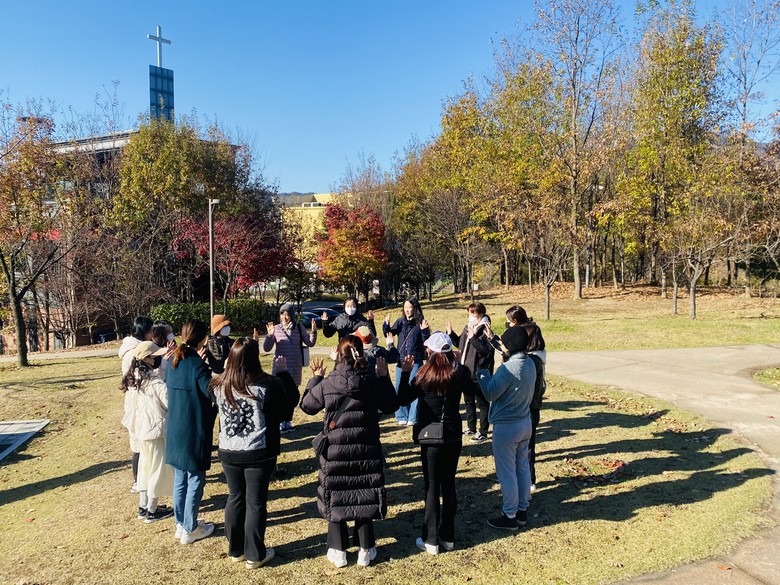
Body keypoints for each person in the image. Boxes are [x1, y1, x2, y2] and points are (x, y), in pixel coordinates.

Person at [300, 336, 398, 568]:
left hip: (336, 450)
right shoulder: (371, 381)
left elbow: (307, 406)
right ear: (361, 353)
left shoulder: (329, 383)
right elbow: (391, 405)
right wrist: (384, 377)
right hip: (366, 447)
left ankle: (338, 550)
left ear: (338, 355)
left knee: (336, 493)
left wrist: (316, 378)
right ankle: (365, 549)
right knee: (364, 493)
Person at [212, 339, 299, 570]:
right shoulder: (267, 384)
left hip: (229, 450)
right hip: (258, 451)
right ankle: (254, 554)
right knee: (255, 502)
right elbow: (288, 407)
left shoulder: (219, 384)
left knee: (235, 497)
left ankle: (236, 549)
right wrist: (283, 374)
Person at [397, 331, 470, 555]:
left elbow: (402, 398)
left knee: (431, 486)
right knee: (449, 484)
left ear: (432, 352)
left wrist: (405, 373)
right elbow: (472, 391)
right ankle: (448, 536)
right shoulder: (460, 373)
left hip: (430, 436)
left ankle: (431, 539)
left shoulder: (424, 374)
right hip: (452, 434)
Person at [476, 326, 536, 531]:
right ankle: (522, 510)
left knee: (507, 472)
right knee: (522, 467)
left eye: (502, 342)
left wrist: (483, 374)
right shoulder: (530, 363)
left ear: (509, 346)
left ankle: (509, 515)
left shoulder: (508, 369)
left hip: (507, 427)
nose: (501, 344)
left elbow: (491, 393)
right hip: (525, 422)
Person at [165, 318, 218, 544]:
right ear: (203, 339)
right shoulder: (197, 365)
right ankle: (190, 527)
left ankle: (181, 523)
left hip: (175, 429)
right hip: (193, 429)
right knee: (195, 478)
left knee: (180, 478)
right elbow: (212, 393)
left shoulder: (173, 360)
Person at [120, 341, 175, 524]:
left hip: (142, 431)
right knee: (157, 470)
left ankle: (144, 507)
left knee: (145, 469)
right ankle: (152, 510)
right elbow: (169, 404)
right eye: (155, 356)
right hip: (156, 432)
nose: (158, 359)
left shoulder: (134, 379)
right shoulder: (154, 383)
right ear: (147, 359)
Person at [260, 303, 317, 434]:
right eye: (282, 314)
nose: (284, 317)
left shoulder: (299, 327)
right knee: (280, 395)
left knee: (292, 395)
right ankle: (280, 421)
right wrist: (270, 335)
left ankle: (288, 421)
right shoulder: (276, 328)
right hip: (280, 366)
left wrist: (313, 331)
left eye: (287, 314)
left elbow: (310, 343)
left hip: (295, 367)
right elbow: (266, 348)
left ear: (291, 315)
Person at [447, 302, 494, 442]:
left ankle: (483, 431)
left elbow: (485, 352)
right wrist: (451, 334)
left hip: (480, 373)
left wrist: (473, 337)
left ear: (481, 314)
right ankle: (471, 427)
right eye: (469, 314)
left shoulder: (486, 329)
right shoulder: (468, 327)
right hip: (466, 372)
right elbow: (460, 344)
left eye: (473, 314)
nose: (470, 317)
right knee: (468, 401)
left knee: (482, 404)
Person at [117, 315, 154, 493]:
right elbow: (140, 378)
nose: (153, 333)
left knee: (139, 443)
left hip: (136, 398)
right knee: (139, 444)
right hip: (138, 400)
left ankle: (140, 482)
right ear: (144, 331)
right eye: (151, 330)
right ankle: (138, 482)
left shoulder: (133, 347)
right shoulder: (135, 351)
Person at [383, 297, 430, 426]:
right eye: (405, 307)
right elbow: (389, 334)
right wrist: (386, 325)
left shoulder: (420, 323)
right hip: (401, 360)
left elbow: (426, 342)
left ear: (415, 308)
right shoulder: (400, 322)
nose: (407, 310)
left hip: (416, 360)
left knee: (414, 387)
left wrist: (424, 331)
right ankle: (401, 415)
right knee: (399, 387)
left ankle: (413, 417)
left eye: (410, 307)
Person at [523, 321, 547, 493]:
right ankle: (529, 478)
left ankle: (530, 479)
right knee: (528, 445)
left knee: (527, 447)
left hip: (528, 408)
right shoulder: (538, 356)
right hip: (534, 406)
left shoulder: (532, 360)